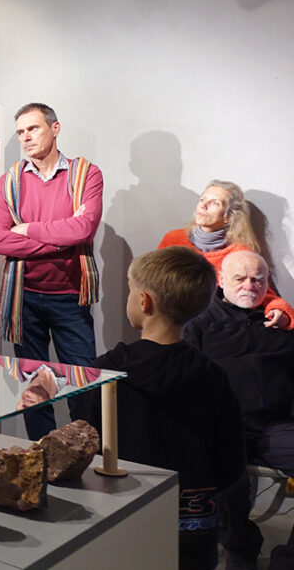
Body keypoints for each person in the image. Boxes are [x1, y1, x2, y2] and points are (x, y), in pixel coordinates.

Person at [73, 247, 245, 570]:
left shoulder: (105, 371)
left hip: (120, 517)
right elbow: (231, 459)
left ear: (144, 301)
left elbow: (83, 440)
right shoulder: (212, 375)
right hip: (192, 525)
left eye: (130, 290)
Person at [0, 102, 103, 440]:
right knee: (33, 391)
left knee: (84, 387)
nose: (25, 137)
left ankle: (87, 453)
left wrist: (28, 230)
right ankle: (41, 452)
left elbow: (84, 229)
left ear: (55, 128)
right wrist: (59, 241)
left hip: (70, 298)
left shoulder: (85, 174)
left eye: (33, 128)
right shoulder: (9, 182)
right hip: (23, 301)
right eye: (20, 132)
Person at [184, 251, 294, 569]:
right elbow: (186, 381)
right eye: (240, 278)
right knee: (225, 484)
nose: (249, 285)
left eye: (258, 279)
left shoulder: (282, 325)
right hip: (225, 426)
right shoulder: (199, 325)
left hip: (277, 427)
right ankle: (242, 550)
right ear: (221, 280)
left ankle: (288, 560)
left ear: (267, 283)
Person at [159, 179, 293, 329]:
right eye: (202, 200)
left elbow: (260, 291)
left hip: (215, 328)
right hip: (171, 321)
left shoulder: (241, 252)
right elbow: (152, 279)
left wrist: (278, 310)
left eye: (214, 203)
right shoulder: (173, 239)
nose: (203, 205)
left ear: (228, 217)